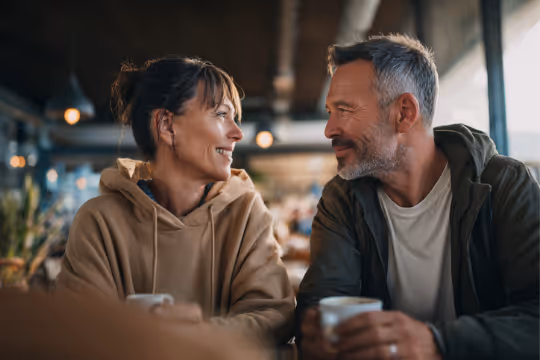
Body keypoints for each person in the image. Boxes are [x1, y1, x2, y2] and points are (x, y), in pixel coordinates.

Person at [296, 34, 539, 359]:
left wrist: (437, 342)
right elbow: (322, 302)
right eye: (330, 111)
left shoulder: (505, 186)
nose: (329, 129)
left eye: (345, 109)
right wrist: (313, 330)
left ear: (404, 112)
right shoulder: (341, 200)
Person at [56, 57, 295, 344]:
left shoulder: (246, 212)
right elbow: (79, 331)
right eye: (221, 114)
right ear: (167, 125)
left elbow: (274, 317)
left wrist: (196, 334)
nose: (238, 132)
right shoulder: (98, 222)